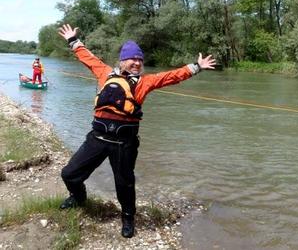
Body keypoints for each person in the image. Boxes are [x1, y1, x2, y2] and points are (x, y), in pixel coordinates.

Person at [57, 24, 216, 238]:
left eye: (140, 60)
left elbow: (172, 76)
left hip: (125, 144)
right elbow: (88, 58)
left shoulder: (145, 82)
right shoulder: (104, 73)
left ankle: (128, 217)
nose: (137, 63)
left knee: (124, 184)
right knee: (69, 174)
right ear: (122, 60)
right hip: (97, 139)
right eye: (133, 59)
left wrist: (197, 66)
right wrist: (73, 40)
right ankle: (78, 196)